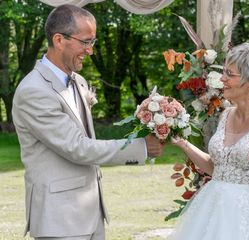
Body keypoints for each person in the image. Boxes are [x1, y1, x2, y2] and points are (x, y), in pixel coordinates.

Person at [12, 4, 163, 240]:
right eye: (85, 42)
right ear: (59, 40)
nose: (90, 51)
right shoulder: (34, 91)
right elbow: (77, 147)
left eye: (92, 42)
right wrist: (141, 147)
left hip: (91, 212)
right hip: (59, 218)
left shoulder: (79, 81)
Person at [169, 42, 249, 239]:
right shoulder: (226, 114)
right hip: (212, 208)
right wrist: (184, 144)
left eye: (230, 74)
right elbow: (218, 168)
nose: (222, 78)